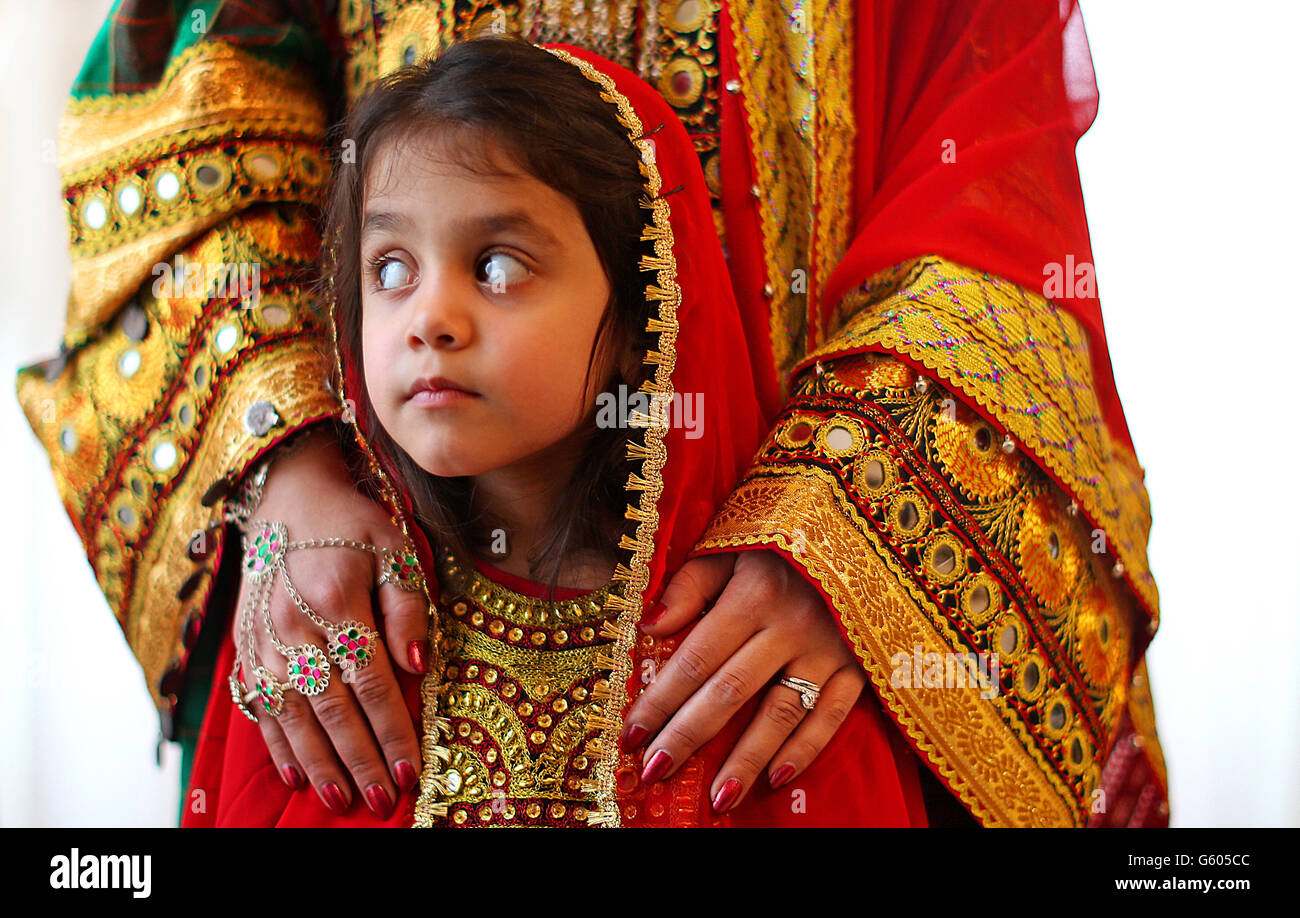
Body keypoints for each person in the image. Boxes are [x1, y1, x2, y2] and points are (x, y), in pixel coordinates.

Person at [18, 0, 1168, 828]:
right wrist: (284, 459)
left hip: (784, 623)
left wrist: (866, 533)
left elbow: (986, 166)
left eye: (501, 268)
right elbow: (189, 127)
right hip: (352, 562)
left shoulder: (787, 738)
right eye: (392, 272)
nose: (436, 317)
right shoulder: (333, 719)